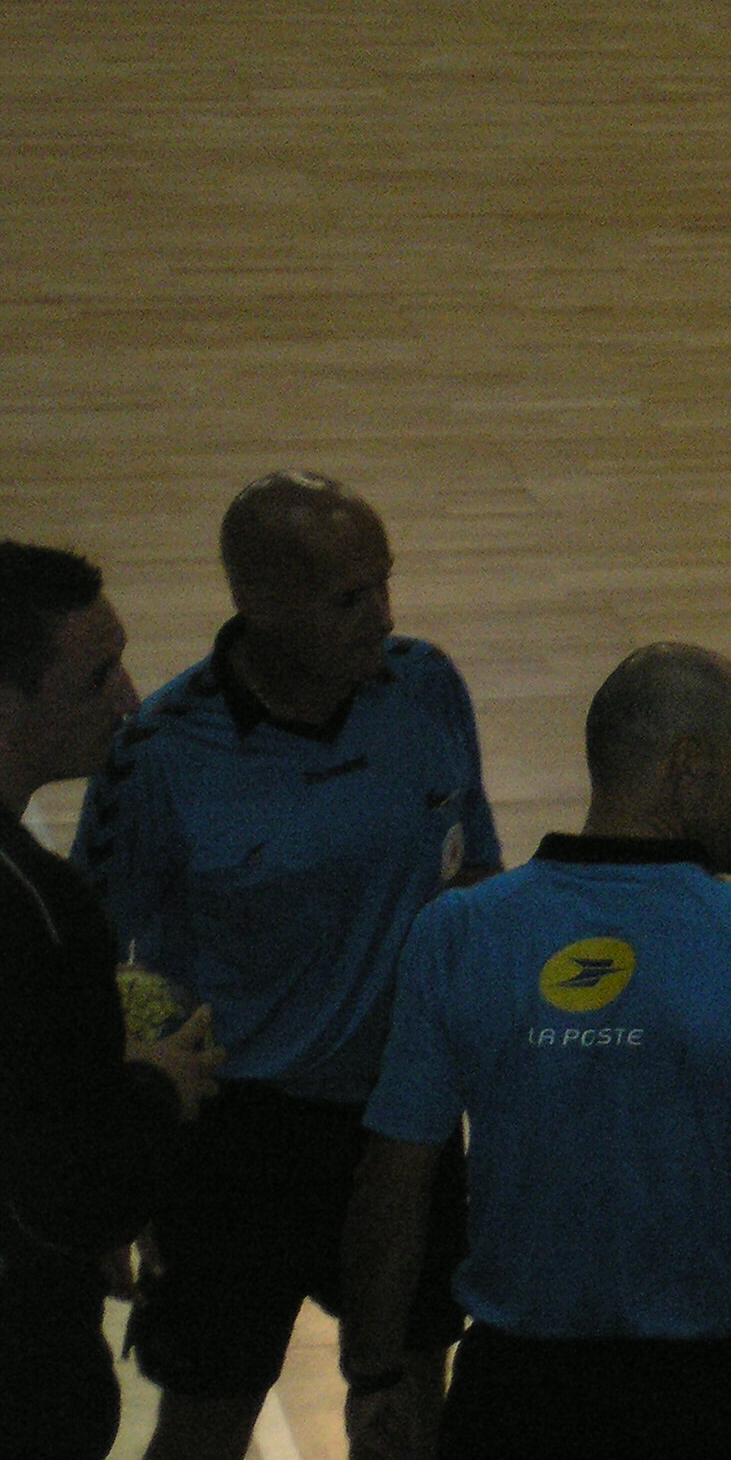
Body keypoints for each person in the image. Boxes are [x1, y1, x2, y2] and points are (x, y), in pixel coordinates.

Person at [340, 643, 731, 1460]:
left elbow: (394, 1180)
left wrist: (373, 1375)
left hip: (518, 1397)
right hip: (730, 1398)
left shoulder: (461, 933)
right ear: (685, 767)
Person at [72, 473, 500, 1460]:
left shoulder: (427, 683)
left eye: (384, 583)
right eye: (347, 597)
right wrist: (114, 1178)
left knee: (403, 1404)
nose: (382, 616)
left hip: (406, 1120)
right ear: (256, 603)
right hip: (238, 1148)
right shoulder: (158, 756)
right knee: (209, 1416)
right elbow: (90, 970)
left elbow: (475, 870)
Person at [0, 541, 224, 1460]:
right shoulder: (40, 913)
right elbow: (69, 1197)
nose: (132, 699)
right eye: (96, 679)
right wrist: (156, 1086)